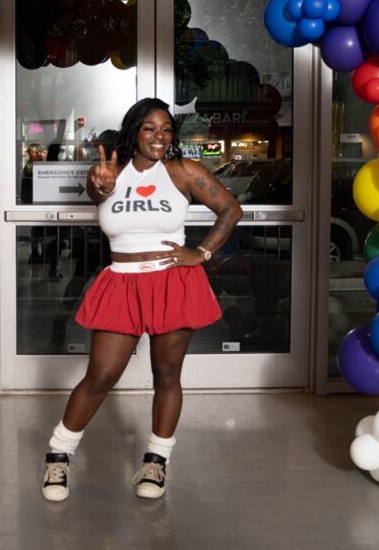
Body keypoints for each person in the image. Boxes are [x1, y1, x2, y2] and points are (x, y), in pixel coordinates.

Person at [41, 98, 242, 502]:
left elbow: (230, 210)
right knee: (101, 375)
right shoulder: (109, 173)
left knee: (167, 376)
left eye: (166, 129)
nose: (159, 136)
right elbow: (97, 193)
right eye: (150, 128)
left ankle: (156, 462)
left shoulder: (184, 172)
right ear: (134, 131)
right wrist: (99, 184)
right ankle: (58, 456)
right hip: (122, 282)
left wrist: (200, 254)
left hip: (173, 282)